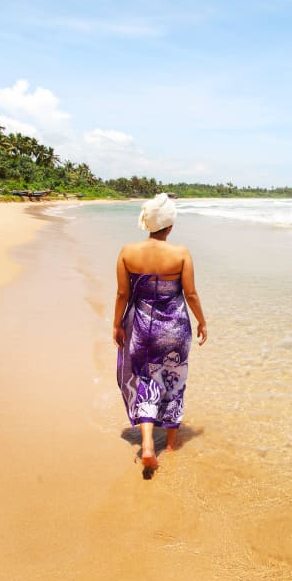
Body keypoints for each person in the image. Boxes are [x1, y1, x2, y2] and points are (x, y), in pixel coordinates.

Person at [113, 194, 207, 476]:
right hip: (175, 328)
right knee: (174, 380)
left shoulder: (127, 252)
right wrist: (202, 321)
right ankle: (170, 444)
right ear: (170, 226)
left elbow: (122, 293)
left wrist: (117, 324)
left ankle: (147, 446)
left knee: (146, 379)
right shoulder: (181, 253)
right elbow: (189, 293)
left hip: (143, 327)